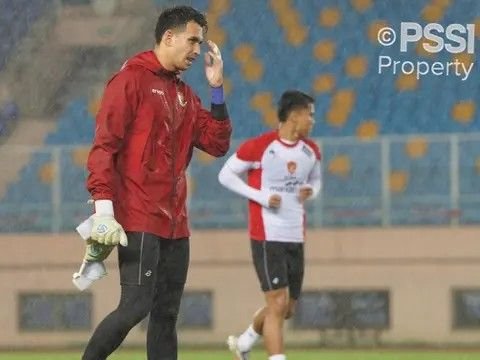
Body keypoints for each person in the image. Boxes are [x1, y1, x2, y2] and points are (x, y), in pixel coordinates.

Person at [82, 5, 232, 360]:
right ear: (169, 36)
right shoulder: (129, 81)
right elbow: (104, 147)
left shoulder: (184, 95)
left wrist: (216, 90)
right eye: (193, 41)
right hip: (139, 216)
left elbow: (217, 143)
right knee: (135, 306)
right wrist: (104, 208)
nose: (198, 50)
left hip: (176, 223)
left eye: (200, 43)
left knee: (166, 316)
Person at [218, 90, 321, 360]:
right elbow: (225, 175)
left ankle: (244, 342)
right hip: (266, 235)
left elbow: (317, 181)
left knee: (286, 308)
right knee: (276, 303)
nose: (312, 121)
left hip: (295, 235)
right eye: (310, 115)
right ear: (294, 115)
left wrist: (311, 189)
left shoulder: (311, 151)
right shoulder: (261, 146)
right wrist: (261, 196)